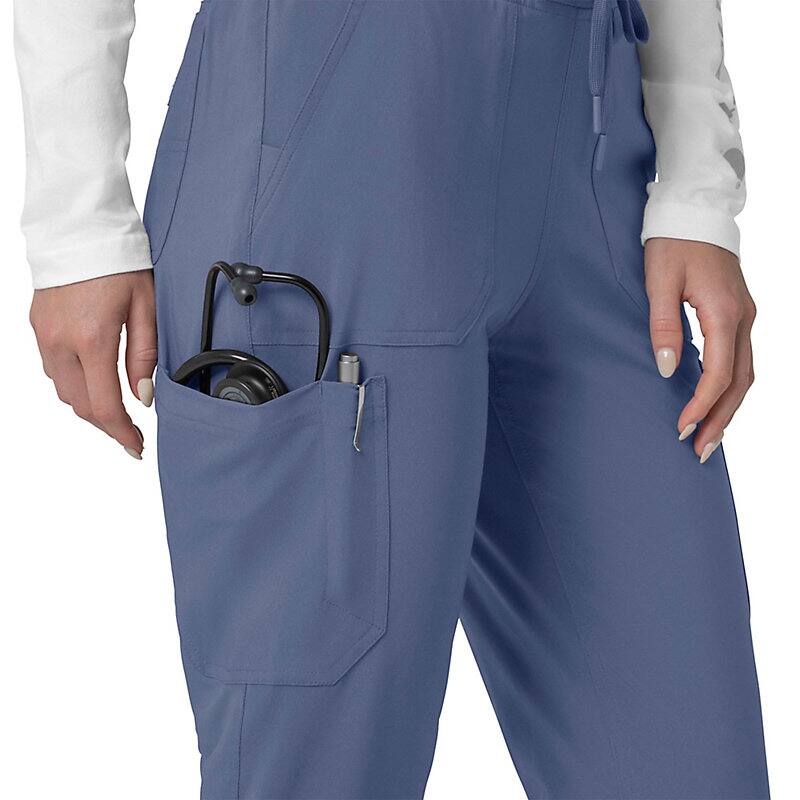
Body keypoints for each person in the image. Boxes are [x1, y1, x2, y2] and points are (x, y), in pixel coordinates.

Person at [14, 0, 769, 797]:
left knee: (691, 760)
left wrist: (697, 187)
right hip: (326, 161)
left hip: (591, 166)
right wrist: (78, 229)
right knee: (321, 769)